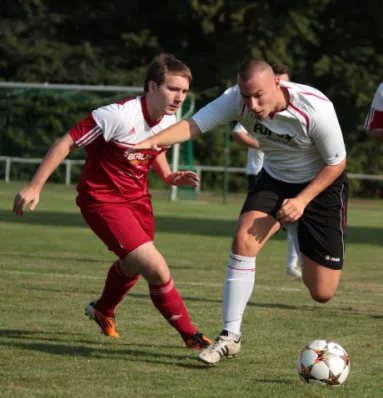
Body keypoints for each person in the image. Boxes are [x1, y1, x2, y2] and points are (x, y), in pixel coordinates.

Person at [131, 59, 348, 365]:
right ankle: (229, 336)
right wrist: (149, 142)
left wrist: (301, 202)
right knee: (243, 239)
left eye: (259, 95)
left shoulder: (315, 108)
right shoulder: (236, 99)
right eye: (247, 97)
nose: (253, 105)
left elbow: (337, 163)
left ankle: (295, 226)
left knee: (322, 291)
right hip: (274, 180)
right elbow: (194, 125)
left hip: (320, 186)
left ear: (277, 84)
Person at [12, 53, 212, 350]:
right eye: (173, 89)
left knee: (132, 266)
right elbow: (67, 141)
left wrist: (168, 176)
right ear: (152, 87)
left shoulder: (170, 119)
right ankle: (192, 337)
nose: (179, 97)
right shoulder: (117, 115)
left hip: (138, 201)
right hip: (102, 200)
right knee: (156, 268)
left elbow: (155, 148)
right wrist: (35, 185)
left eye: (184, 91)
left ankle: (103, 310)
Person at [231, 64, 301, 278]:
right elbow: (237, 133)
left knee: (295, 216)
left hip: (292, 174)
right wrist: (265, 144)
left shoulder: (299, 108)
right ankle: (247, 259)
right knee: (258, 226)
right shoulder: (256, 107)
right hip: (261, 173)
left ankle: (295, 263)